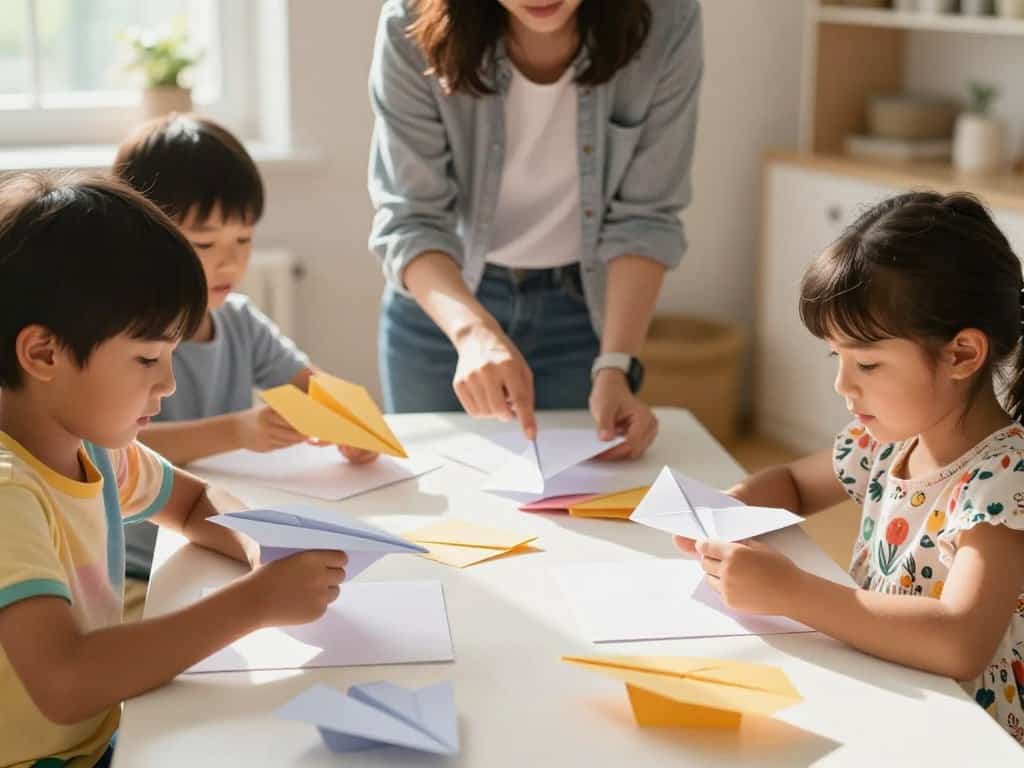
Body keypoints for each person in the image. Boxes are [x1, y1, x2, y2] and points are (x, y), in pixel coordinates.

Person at [0, 173, 348, 767]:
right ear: (43, 353)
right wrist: (253, 604)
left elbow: (189, 503)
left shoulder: (96, 452)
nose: (167, 384)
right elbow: (64, 682)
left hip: (104, 737)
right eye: (146, 359)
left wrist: (258, 544)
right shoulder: (9, 490)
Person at [675, 192, 1024, 744]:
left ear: (961, 354)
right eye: (835, 357)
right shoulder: (885, 440)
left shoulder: (1004, 480)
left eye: (866, 362)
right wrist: (733, 506)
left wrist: (794, 593)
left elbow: (961, 642)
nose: (843, 384)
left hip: (964, 737)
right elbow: (791, 483)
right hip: (888, 693)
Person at [368, 0, 703, 459]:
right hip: (444, 315)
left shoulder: (667, 19)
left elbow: (646, 217)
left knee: (571, 512)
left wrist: (615, 365)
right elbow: (412, 219)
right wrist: (472, 334)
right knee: (432, 506)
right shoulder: (411, 23)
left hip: (583, 316)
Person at [114, 114, 376, 584]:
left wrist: (351, 424)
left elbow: (312, 385)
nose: (231, 260)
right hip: (137, 568)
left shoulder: (237, 321)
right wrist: (236, 431)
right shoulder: (118, 336)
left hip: (218, 543)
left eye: (244, 238)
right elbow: (112, 453)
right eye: (205, 242)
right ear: (142, 238)